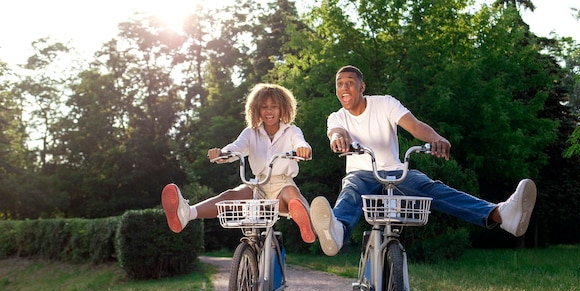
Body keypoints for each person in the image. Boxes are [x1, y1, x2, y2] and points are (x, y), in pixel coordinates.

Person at [310, 65, 537, 256]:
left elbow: (415, 125)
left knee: (432, 189)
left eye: (349, 82)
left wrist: (436, 138)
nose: (344, 88)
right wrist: (338, 139)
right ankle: (336, 231)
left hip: (395, 172)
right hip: (361, 173)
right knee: (350, 191)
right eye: (339, 84)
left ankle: (501, 214)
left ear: (362, 86)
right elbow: (336, 133)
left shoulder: (385, 103)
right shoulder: (337, 116)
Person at [161, 83, 315, 244]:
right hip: (259, 184)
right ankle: (187, 213)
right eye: (264, 107)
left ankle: (308, 223)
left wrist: (303, 149)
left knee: (292, 196)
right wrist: (222, 154)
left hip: (282, 184)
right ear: (257, 110)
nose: (269, 111)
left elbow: (300, 143)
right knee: (231, 195)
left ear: (283, 108)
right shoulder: (251, 132)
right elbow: (236, 147)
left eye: (274, 106)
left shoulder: (291, 131)